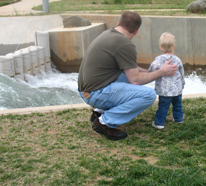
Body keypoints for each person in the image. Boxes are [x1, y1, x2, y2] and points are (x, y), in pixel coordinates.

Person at [78, 11, 177, 140]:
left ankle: (99, 112)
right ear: (136, 31)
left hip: (86, 90)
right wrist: (161, 72)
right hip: (95, 93)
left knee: (126, 77)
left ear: (118, 23)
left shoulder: (108, 34)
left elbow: (131, 70)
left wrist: (150, 72)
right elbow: (135, 80)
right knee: (149, 95)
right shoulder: (125, 44)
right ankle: (104, 122)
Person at [148, 32, 185, 130]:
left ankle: (159, 123)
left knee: (163, 106)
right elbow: (182, 73)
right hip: (177, 89)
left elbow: (152, 69)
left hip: (164, 91)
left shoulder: (159, 59)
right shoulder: (177, 60)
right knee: (178, 104)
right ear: (174, 47)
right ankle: (179, 119)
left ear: (161, 48)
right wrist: (183, 84)